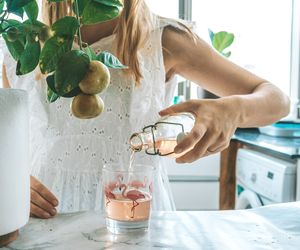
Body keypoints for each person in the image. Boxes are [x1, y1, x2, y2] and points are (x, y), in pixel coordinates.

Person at [2, 0, 290, 219]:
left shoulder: (162, 39)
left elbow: (277, 100)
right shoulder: (21, 46)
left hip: (134, 216)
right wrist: (8, 183)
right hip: (41, 216)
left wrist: (233, 110)